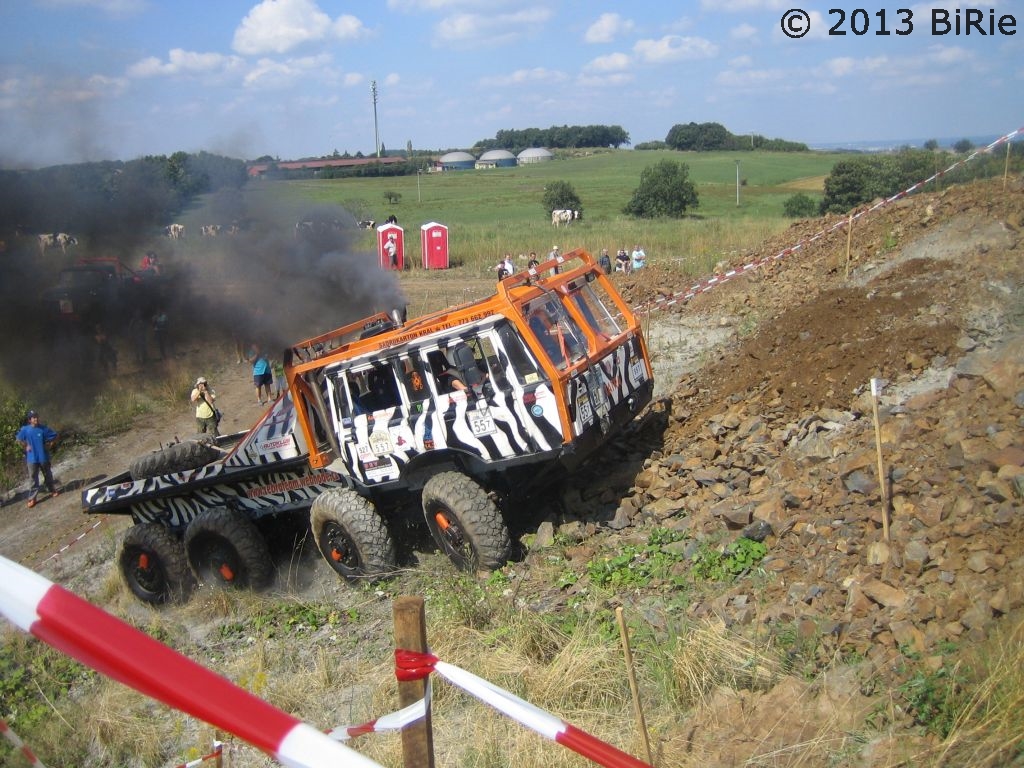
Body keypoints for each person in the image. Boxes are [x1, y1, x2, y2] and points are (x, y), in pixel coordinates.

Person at [16, 410, 60, 508]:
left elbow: (55, 435)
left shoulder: (43, 429)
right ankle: (32, 499)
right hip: (31, 458)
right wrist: (25, 445)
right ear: (29, 420)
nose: (35, 419)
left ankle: (52, 490)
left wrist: (50, 445)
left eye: (36, 417)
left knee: (48, 474)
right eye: (33, 417)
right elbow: (18, 439)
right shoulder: (25, 430)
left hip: (43, 457)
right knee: (33, 479)